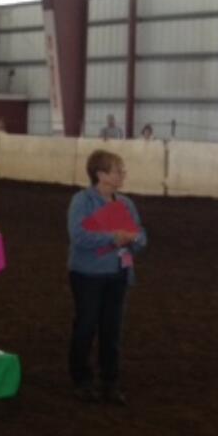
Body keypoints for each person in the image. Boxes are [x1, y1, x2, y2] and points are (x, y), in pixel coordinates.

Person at [68, 150, 148, 406]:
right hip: (87, 273)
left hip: (118, 273)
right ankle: (82, 379)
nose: (122, 174)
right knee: (87, 325)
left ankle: (109, 381)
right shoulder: (81, 201)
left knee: (111, 329)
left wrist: (134, 238)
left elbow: (141, 235)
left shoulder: (126, 204)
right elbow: (78, 235)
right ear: (101, 175)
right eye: (118, 170)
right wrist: (114, 237)